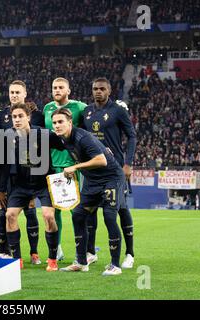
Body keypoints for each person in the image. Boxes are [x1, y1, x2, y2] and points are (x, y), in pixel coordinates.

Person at [51, 108, 125, 276]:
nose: (57, 125)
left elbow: (102, 160)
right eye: (54, 122)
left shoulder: (81, 137)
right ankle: (81, 262)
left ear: (70, 123)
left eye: (60, 122)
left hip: (111, 178)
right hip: (92, 182)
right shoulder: (62, 139)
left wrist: (75, 167)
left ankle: (115, 265)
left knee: (109, 216)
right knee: (78, 215)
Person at [81, 77, 137, 269]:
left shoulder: (118, 111)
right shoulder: (86, 112)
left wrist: (128, 163)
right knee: (89, 211)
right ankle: (90, 253)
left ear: (109, 91)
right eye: (95, 88)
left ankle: (129, 253)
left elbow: (131, 136)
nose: (98, 91)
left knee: (120, 210)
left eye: (102, 89)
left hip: (114, 170)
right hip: (92, 170)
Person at [3, 103, 61, 272]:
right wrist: (1, 190)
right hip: (21, 186)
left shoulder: (44, 134)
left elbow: (66, 145)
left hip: (43, 184)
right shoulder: (9, 137)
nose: (17, 120)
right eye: (14, 117)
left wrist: (75, 163)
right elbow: (5, 166)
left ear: (28, 117)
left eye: (20, 116)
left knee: (48, 216)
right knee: (10, 215)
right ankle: (17, 259)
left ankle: (52, 259)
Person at [0, 80, 44, 264]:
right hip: (10, 173)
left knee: (31, 211)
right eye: (11, 92)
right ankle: (10, 252)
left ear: (25, 93)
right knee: (8, 213)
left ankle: (34, 252)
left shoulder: (37, 115)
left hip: (30, 170)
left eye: (17, 92)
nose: (14, 95)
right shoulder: (1, 117)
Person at [42, 77, 87, 261]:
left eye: (61, 87)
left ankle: (86, 251)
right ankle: (57, 248)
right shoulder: (47, 108)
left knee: (79, 210)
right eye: (54, 87)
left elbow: (89, 129)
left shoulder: (80, 107)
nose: (57, 90)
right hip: (53, 164)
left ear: (68, 90)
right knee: (55, 210)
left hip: (74, 165)